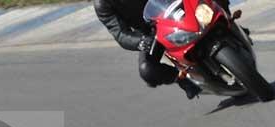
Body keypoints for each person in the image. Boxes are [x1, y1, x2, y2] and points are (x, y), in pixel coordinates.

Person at [94, 0, 232, 99]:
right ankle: (184, 79)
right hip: (153, 32)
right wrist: (141, 41)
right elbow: (120, 34)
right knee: (147, 70)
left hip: (179, 6)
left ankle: (228, 20)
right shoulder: (102, 4)